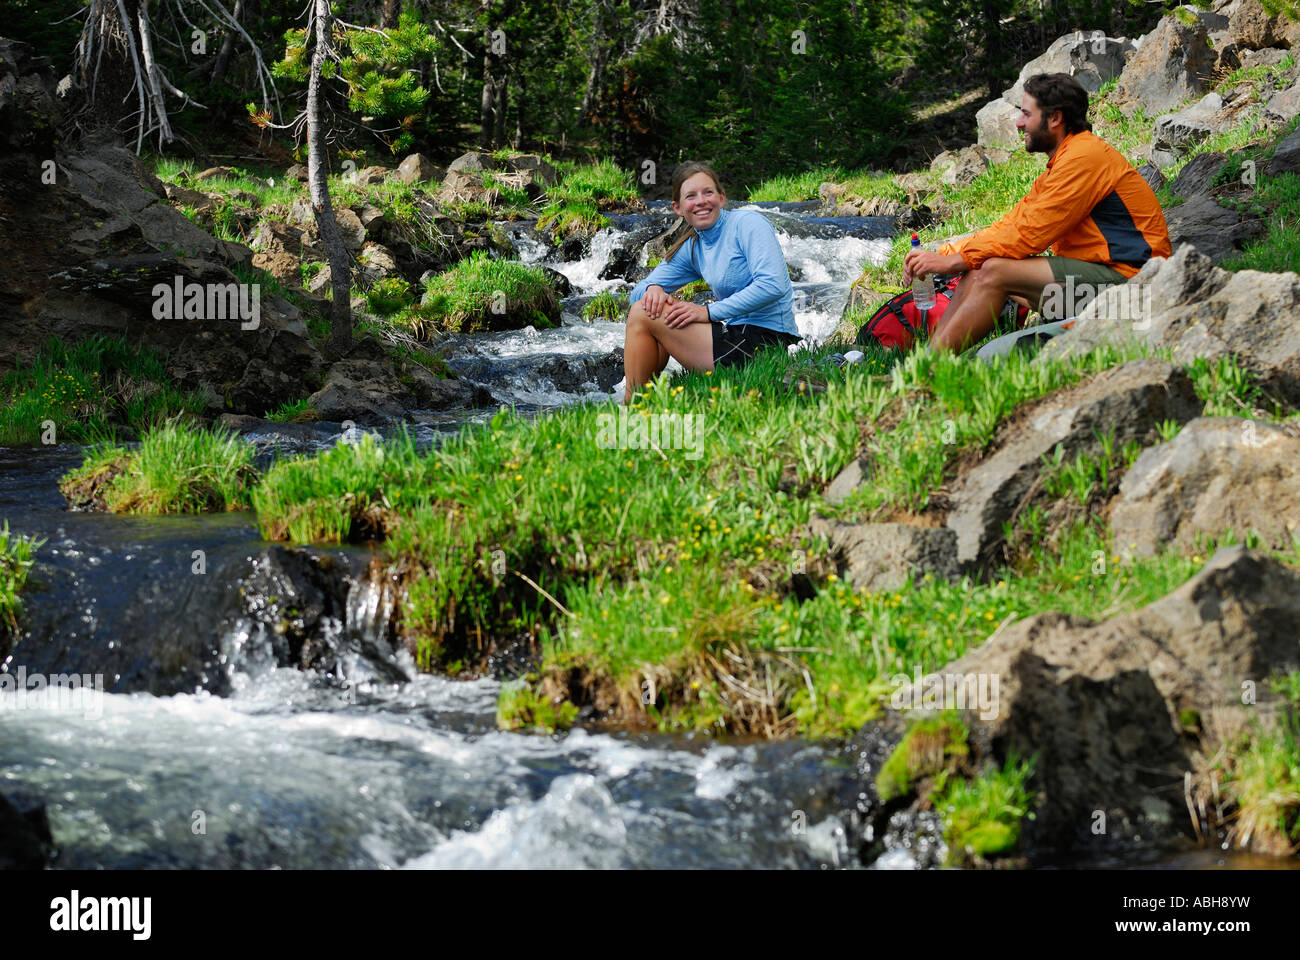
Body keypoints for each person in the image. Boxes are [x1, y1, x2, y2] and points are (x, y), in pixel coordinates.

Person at [902, 72, 1172, 353]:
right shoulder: (1065, 159)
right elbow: (1011, 225)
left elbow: (1029, 236)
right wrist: (945, 254)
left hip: (1135, 288)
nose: (1019, 124)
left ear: (1055, 118)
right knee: (982, 267)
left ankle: (928, 370)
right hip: (1099, 285)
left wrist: (955, 262)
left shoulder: (1084, 158)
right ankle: (928, 361)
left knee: (993, 270)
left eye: (1026, 114)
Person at [622, 162, 801, 404]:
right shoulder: (694, 246)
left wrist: (707, 312)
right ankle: (642, 404)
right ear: (678, 207)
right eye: (691, 196)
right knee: (647, 309)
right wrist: (654, 289)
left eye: (708, 192)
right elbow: (637, 297)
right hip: (735, 334)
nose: (701, 201)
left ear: (722, 197)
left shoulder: (747, 224)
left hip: (766, 342)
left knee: (646, 313)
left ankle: (631, 405)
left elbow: (773, 285)